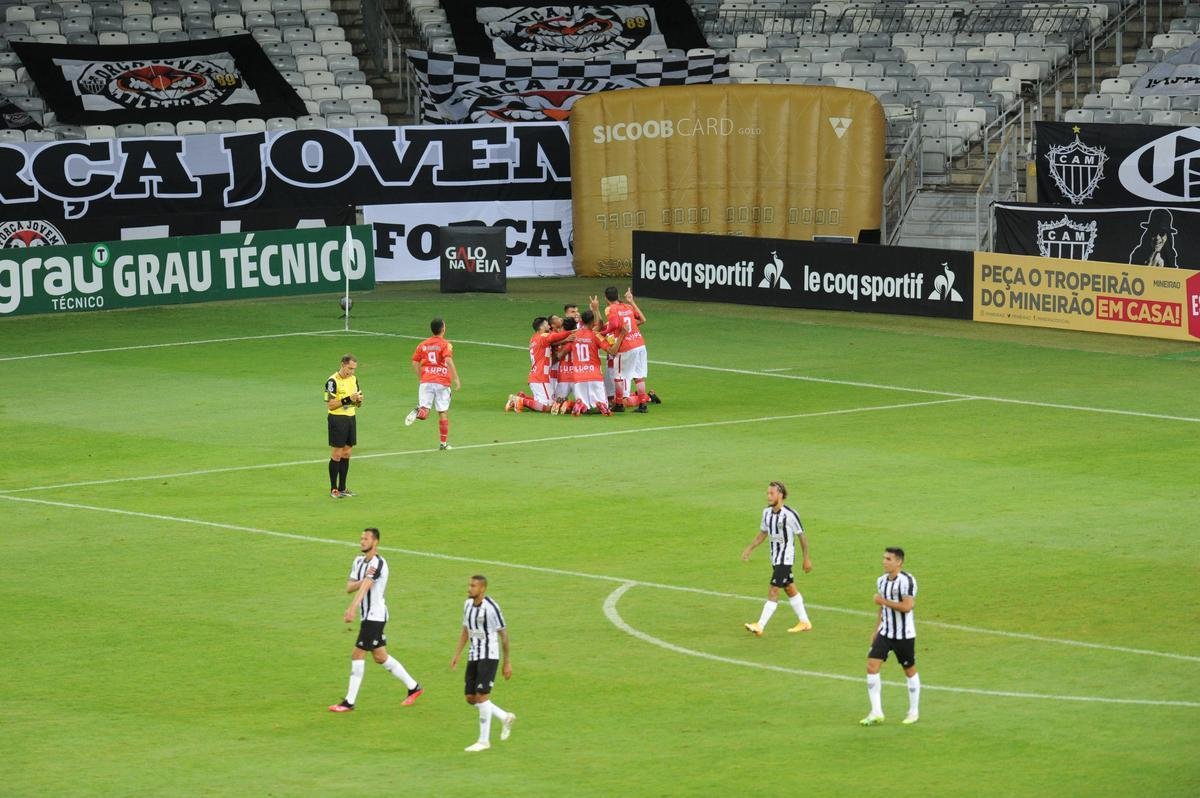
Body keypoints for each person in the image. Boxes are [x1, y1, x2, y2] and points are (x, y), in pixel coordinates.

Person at [328, 527, 423, 712]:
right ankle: (414, 687)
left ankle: (349, 702)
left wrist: (352, 608)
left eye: (366, 538)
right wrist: (362, 581)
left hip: (375, 616)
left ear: (375, 542)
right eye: (361, 538)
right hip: (368, 616)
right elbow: (349, 587)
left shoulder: (379, 563)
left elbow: (365, 588)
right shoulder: (358, 561)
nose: (362, 541)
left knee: (357, 654)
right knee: (380, 657)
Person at [451, 575, 515, 752]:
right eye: (469, 585)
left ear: (482, 589)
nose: (469, 588)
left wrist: (507, 662)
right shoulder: (467, 605)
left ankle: (483, 741)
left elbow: (504, 635)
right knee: (470, 698)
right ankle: (504, 716)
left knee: (482, 696)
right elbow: (466, 629)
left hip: (490, 655)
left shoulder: (491, 608)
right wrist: (457, 654)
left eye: (473, 586)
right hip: (474, 654)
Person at [741, 481, 812, 636]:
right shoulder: (766, 513)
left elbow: (802, 537)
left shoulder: (790, 515)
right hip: (775, 558)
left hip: (785, 559)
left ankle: (760, 625)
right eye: (767, 493)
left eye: (771, 493)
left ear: (780, 495)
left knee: (773, 590)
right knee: (789, 588)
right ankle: (805, 622)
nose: (768, 496)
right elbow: (763, 533)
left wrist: (806, 559)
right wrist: (749, 549)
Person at [860, 547, 920, 727]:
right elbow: (882, 609)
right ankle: (876, 712)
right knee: (871, 666)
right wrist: (876, 629)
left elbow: (907, 606)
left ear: (898, 562)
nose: (884, 562)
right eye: (884, 558)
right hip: (886, 632)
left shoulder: (907, 581)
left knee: (909, 670)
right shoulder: (881, 581)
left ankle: (913, 711)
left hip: (904, 635)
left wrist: (883, 601)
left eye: (888, 559)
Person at [405, 318, 460, 450]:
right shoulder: (446, 344)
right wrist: (456, 378)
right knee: (443, 412)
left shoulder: (423, 344)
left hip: (427, 381)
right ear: (443, 329)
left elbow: (414, 362)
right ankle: (443, 444)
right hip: (442, 382)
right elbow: (448, 359)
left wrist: (422, 376)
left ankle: (420, 410)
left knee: (425, 413)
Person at [602, 286, 659, 412]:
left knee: (619, 375)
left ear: (606, 298)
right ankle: (643, 405)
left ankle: (619, 404)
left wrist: (605, 331)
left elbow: (615, 324)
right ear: (618, 296)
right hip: (640, 344)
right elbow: (642, 320)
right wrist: (631, 301)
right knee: (638, 375)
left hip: (626, 346)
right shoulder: (628, 307)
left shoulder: (610, 308)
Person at [506, 316, 573, 413]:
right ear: (541, 327)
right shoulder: (543, 336)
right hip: (540, 377)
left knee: (545, 402)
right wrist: (573, 331)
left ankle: (520, 398)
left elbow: (552, 342)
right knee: (549, 407)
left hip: (536, 376)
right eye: (546, 324)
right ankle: (522, 401)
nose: (548, 326)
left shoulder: (534, 338)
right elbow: (555, 337)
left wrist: (565, 341)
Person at [567, 310, 621, 415]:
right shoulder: (595, 335)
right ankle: (601, 405)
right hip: (594, 375)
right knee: (603, 405)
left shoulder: (574, 335)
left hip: (578, 376)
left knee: (586, 407)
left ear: (582, 320)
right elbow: (612, 351)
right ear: (592, 322)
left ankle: (580, 405)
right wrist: (622, 335)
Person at [324, 354, 362, 499]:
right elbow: (331, 404)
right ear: (342, 364)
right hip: (337, 419)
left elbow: (357, 403)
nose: (351, 372)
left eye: (354, 369)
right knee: (337, 454)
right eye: (349, 368)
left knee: (347, 453)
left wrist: (358, 401)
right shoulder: (332, 381)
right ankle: (333, 489)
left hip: (351, 418)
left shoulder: (354, 379)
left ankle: (342, 487)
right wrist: (348, 399)